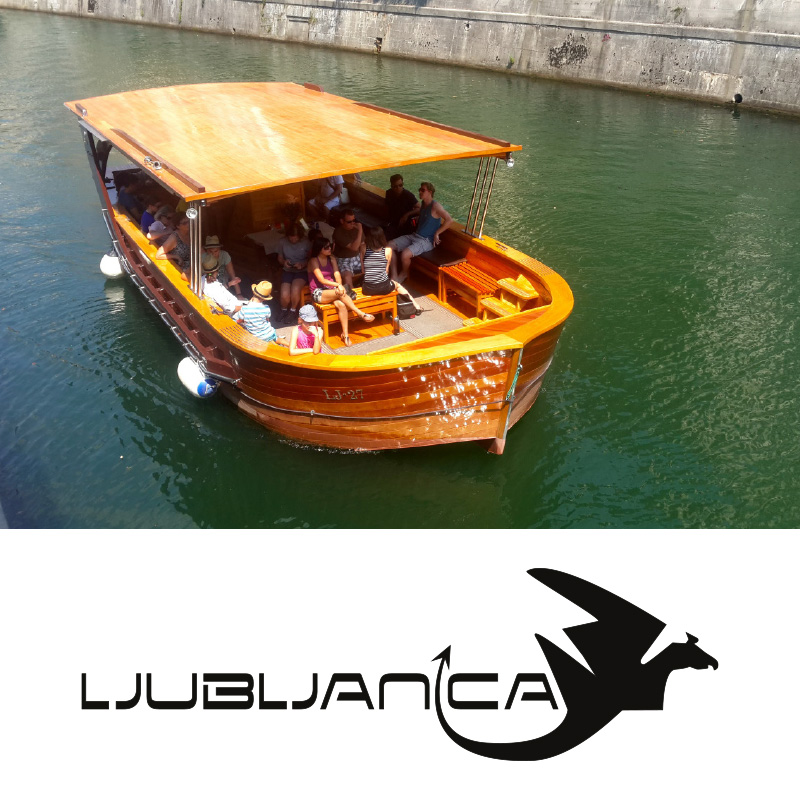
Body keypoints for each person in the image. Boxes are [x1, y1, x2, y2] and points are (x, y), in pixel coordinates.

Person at [307, 237, 374, 347]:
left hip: (332, 290)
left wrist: (339, 284)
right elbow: (321, 279)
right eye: (326, 247)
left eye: (330, 246)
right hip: (318, 292)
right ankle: (359, 313)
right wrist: (338, 286)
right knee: (340, 293)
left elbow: (337, 273)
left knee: (341, 305)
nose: (329, 249)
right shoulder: (314, 261)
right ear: (319, 249)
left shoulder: (331, 259)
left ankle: (345, 335)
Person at [389, 181, 453, 284]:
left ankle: (404, 274)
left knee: (405, 254)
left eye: (423, 190)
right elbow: (426, 215)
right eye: (420, 189)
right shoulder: (423, 204)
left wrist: (437, 233)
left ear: (430, 192)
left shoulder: (435, 206)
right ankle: (394, 274)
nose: (420, 192)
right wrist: (418, 218)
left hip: (426, 241)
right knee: (388, 246)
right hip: (415, 236)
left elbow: (449, 220)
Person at [362, 227, 423, 314]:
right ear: (382, 237)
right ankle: (416, 306)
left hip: (367, 288)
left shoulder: (363, 248)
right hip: (383, 287)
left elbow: (363, 271)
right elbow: (386, 271)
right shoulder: (387, 250)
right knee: (398, 285)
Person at [277, 223, 312, 323]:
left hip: (302, 270)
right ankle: (283, 310)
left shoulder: (306, 242)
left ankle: (293, 311)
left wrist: (302, 264)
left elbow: (311, 259)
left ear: (299, 236)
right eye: (291, 237)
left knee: (295, 288)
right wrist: (284, 262)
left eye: (295, 237)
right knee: (284, 294)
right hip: (288, 270)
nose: (293, 239)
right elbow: (280, 258)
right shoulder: (282, 242)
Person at [332, 209, 363, 294]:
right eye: (349, 222)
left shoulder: (356, 228)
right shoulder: (338, 232)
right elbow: (354, 247)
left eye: (354, 220)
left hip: (358, 257)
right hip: (344, 259)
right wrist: (360, 231)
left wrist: (363, 262)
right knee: (347, 277)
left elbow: (363, 246)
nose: (353, 223)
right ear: (342, 221)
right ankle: (352, 297)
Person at [202, 235, 242, 300]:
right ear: (206, 250)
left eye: (216, 251)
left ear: (219, 249)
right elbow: (206, 276)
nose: (213, 254)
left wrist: (239, 294)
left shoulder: (225, 255)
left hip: (225, 286)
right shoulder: (203, 258)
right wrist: (210, 274)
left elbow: (232, 275)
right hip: (212, 288)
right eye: (210, 251)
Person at [384, 174, 418, 238]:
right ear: (391, 186)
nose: (398, 188)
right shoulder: (389, 193)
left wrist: (406, 215)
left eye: (400, 185)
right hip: (393, 223)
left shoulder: (408, 195)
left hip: (406, 225)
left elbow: (419, 208)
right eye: (395, 186)